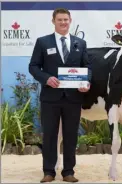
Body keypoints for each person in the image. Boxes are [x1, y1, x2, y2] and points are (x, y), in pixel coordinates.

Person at [28, 8, 91, 183]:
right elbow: (33, 67)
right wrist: (46, 78)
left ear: (70, 21)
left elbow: (87, 68)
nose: (63, 23)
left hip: (73, 98)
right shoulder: (43, 42)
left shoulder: (80, 43)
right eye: (60, 20)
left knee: (71, 135)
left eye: (66, 19)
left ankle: (68, 172)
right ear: (53, 21)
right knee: (49, 135)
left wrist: (87, 82)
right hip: (50, 98)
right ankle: (49, 171)